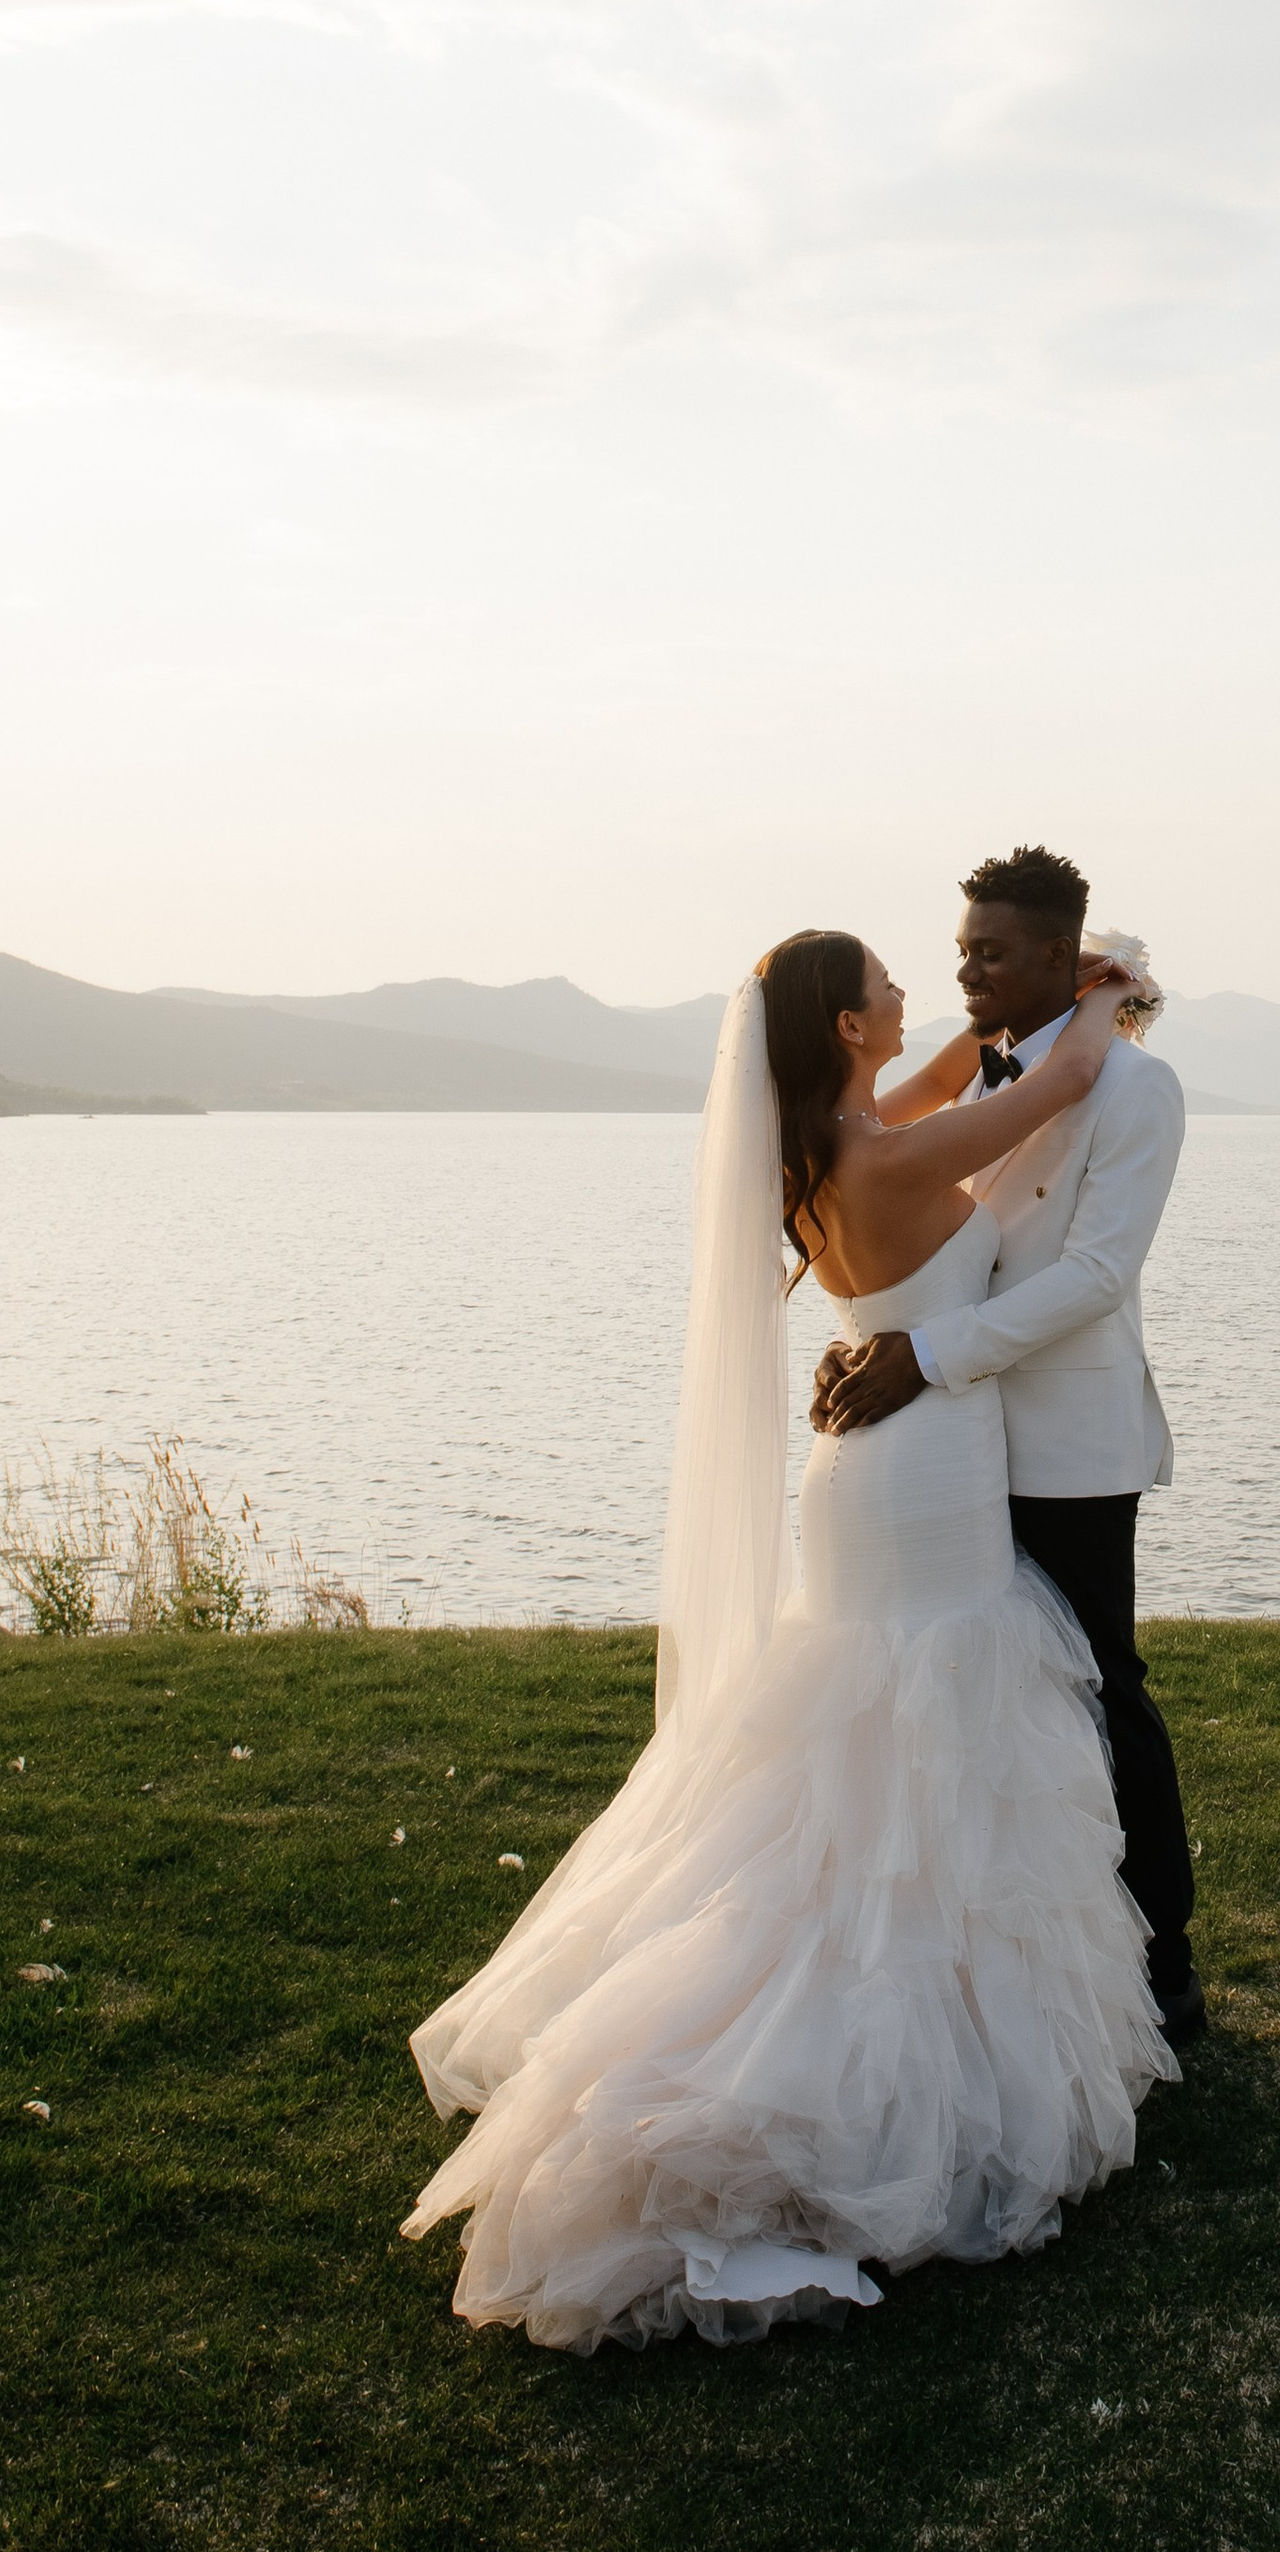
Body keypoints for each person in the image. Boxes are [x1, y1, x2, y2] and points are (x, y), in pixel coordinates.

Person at [400, 927, 1170, 2352]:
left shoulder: (833, 1138)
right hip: (924, 1472)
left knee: (866, 1748)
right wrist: (1110, 985)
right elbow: (1059, 1078)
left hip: (863, 1481)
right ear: (840, 1025)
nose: (906, 995)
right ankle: (871, 2045)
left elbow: (949, 1068)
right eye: (881, 982)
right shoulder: (884, 1153)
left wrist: (983, 1026)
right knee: (927, 1734)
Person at [814, 846, 1202, 2043]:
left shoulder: (1136, 1089)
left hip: (1062, 1440)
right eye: (961, 946)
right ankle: (1009, 1954)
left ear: (1054, 955)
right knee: (980, 1707)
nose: (966, 966)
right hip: (951, 1443)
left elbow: (1092, 1274)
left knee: (1096, 1686)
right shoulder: (978, 1082)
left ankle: (1162, 1956)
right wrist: (887, 1341)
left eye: (989, 948)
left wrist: (920, 1354)